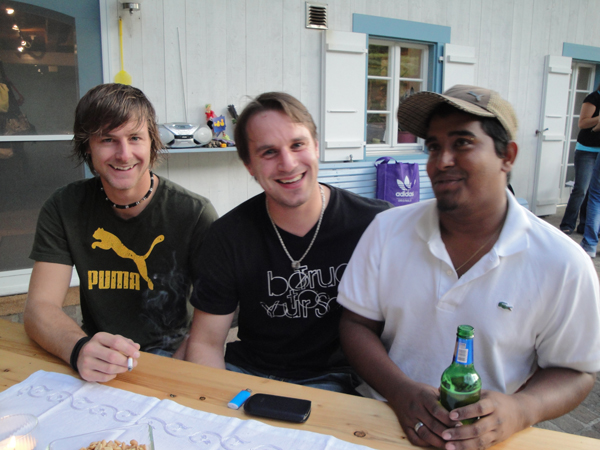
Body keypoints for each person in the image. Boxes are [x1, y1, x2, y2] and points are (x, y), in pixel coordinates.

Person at [337, 85, 600, 449]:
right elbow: (355, 324)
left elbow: (576, 370)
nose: (442, 160)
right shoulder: (387, 230)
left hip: (489, 439)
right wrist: (399, 391)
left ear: (507, 156)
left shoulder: (563, 263)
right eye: (433, 147)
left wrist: (521, 409)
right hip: (380, 421)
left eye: (462, 143)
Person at [184, 92, 390, 393]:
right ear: (249, 165)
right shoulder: (228, 235)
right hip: (248, 376)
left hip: (338, 382)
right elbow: (206, 344)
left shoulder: (375, 223)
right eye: (269, 152)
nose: (288, 163)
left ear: (316, 147)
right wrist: (216, 406)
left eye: (297, 145)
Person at [23, 83, 218, 383]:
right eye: (108, 140)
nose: (124, 154)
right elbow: (39, 307)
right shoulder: (64, 207)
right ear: (87, 146)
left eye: (135, 138)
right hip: (96, 353)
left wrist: (186, 356)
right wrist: (79, 349)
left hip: (172, 356)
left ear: (152, 142)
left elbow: (218, 309)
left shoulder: (194, 213)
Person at [560, 84, 600, 235]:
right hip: (587, 151)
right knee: (581, 189)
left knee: (594, 192)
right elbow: (582, 123)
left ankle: (585, 225)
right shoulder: (593, 98)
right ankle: (567, 224)